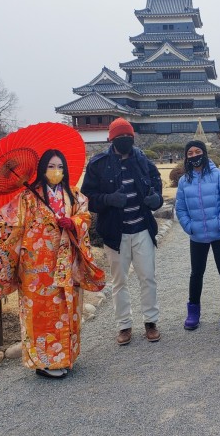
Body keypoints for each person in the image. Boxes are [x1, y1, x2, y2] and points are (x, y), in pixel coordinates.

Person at [0, 150, 105, 379]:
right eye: (51, 166)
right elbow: (7, 226)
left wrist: (72, 222)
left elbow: (85, 217)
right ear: (43, 169)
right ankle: (44, 363)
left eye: (60, 167)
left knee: (66, 308)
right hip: (35, 269)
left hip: (65, 263)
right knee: (40, 314)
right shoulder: (27, 198)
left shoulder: (74, 195)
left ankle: (65, 357)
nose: (56, 171)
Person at [81, 118, 163, 346]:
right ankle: (124, 325)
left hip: (142, 229)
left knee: (148, 277)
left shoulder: (142, 160)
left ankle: (151, 322)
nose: (125, 141)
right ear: (112, 139)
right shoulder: (99, 164)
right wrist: (108, 199)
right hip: (115, 233)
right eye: (120, 138)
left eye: (128, 137)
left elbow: (157, 184)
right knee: (119, 282)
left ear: (133, 138)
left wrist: (155, 199)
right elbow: (88, 198)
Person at [175, 140, 220, 330]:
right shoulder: (184, 180)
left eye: (198, 151)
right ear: (186, 157)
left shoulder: (218, 175)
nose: (194, 156)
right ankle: (193, 311)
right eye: (190, 153)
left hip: (219, 234)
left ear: (204, 153)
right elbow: (180, 207)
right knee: (196, 273)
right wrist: (188, 226)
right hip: (197, 235)